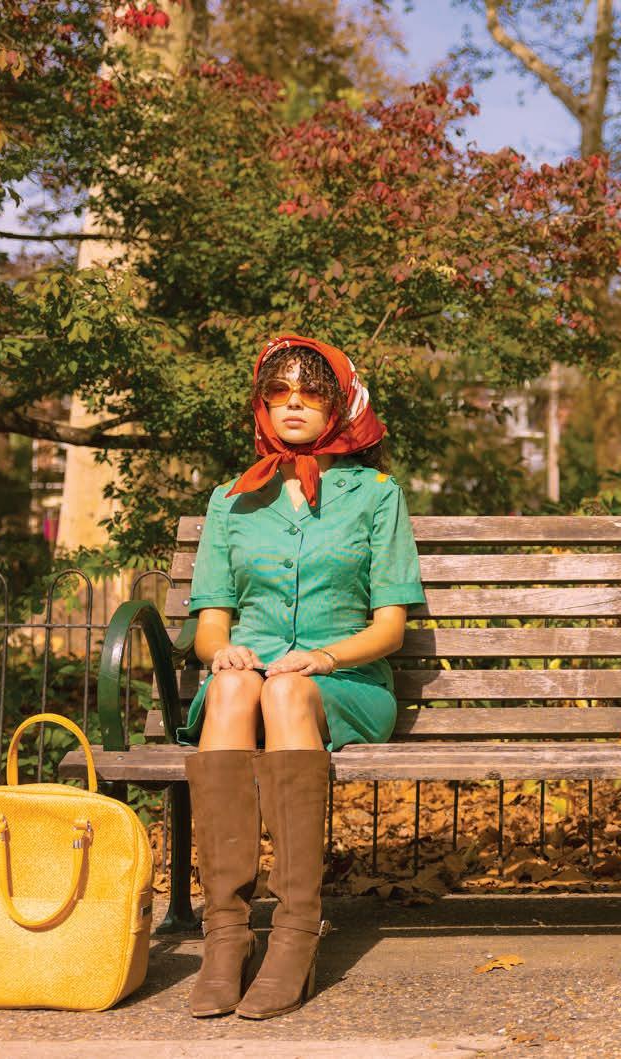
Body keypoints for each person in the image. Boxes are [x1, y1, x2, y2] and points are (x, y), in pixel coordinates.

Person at [179, 335, 424, 1020]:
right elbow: (210, 626)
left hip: (343, 683)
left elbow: (389, 628)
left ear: (337, 405)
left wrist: (323, 658)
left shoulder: (376, 495)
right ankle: (227, 936)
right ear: (261, 405)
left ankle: (294, 934)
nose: (293, 403)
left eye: (310, 391)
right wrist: (223, 653)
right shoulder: (232, 500)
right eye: (278, 391)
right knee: (236, 686)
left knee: (286, 688)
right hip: (247, 684)